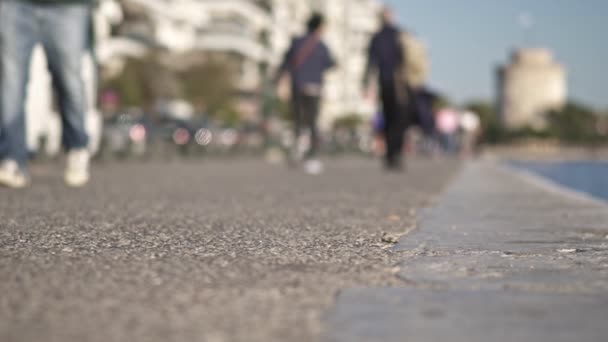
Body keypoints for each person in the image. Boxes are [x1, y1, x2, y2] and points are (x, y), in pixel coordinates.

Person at [0, 0, 93, 188]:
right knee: (11, 82)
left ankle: (76, 146)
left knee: (70, 80)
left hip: (68, 6)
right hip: (15, 5)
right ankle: (11, 158)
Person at [275, 13, 335, 175]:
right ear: (319, 27)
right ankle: (312, 156)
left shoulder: (297, 41)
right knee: (313, 121)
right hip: (314, 87)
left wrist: (281, 79)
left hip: (298, 85)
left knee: (298, 119)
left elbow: (286, 62)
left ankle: (297, 149)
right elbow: (331, 63)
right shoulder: (321, 45)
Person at [364, 7, 412, 171]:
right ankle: (395, 152)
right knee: (399, 118)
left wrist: (367, 83)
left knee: (388, 117)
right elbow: (408, 58)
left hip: (384, 82)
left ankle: (390, 155)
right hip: (399, 82)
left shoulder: (376, 37)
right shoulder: (400, 34)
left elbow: (371, 62)